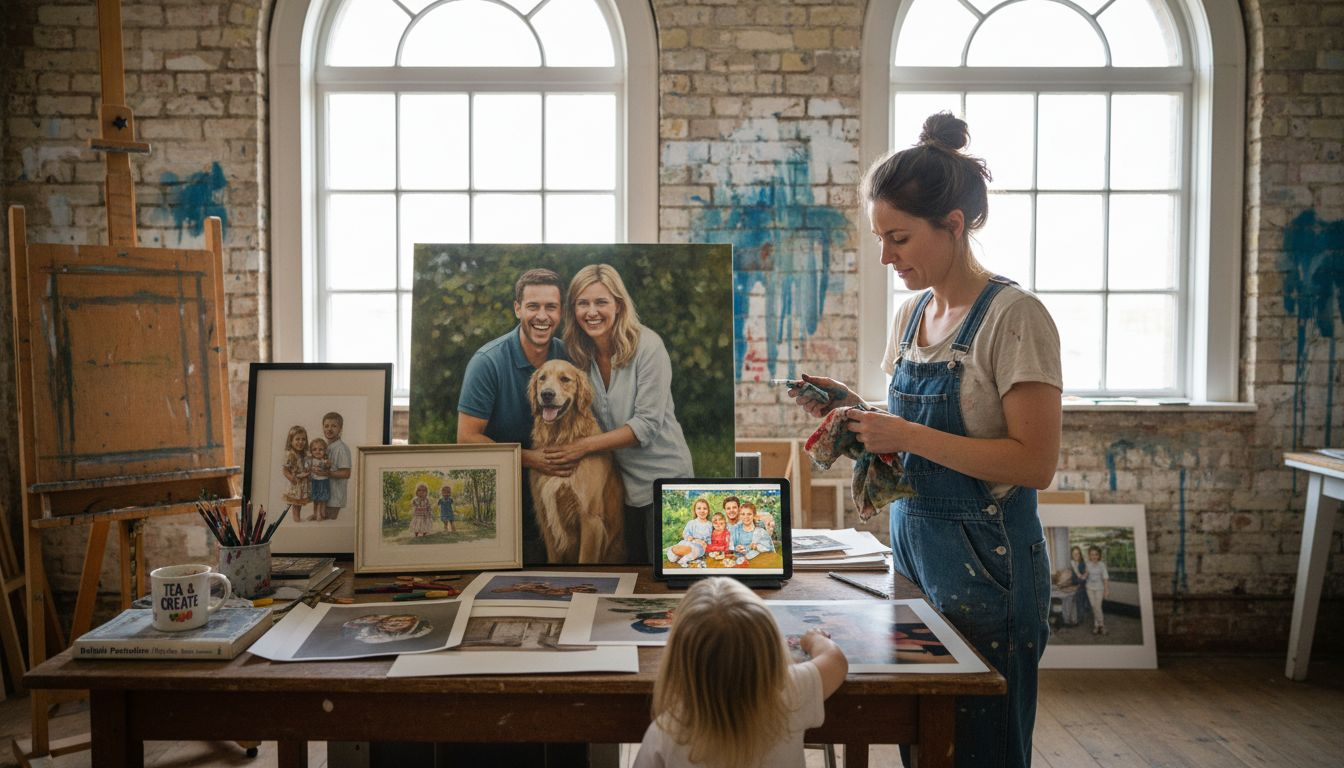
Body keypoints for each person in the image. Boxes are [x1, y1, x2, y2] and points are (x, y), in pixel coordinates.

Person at [788, 111, 1062, 768]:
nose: (887, 257)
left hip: (990, 567)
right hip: (916, 554)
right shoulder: (913, 316)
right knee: (928, 740)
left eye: (899, 238)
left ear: (955, 225)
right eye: (880, 238)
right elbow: (917, 439)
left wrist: (904, 430)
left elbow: (1035, 462)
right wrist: (856, 413)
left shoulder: (1015, 317)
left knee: (982, 748)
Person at [547, 264, 694, 564]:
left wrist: (583, 446)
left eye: (601, 302)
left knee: (666, 580)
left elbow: (647, 425)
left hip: (665, 483)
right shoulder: (579, 355)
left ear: (618, 304)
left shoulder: (648, 346)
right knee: (630, 581)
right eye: (583, 303)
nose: (592, 312)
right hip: (619, 487)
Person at [633, 577, 847, 768]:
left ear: (679, 658)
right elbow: (835, 661)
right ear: (771, 647)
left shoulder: (668, 731)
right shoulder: (790, 692)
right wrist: (816, 639)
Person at [457, 268, 572, 564]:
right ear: (517, 308)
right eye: (533, 306)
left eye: (551, 307)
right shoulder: (488, 363)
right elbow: (466, 438)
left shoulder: (567, 358)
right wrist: (529, 458)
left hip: (557, 489)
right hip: (499, 497)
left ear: (561, 312)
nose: (542, 316)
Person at [320, 412, 352, 521]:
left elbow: (346, 473)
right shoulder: (324, 447)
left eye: (334, 426)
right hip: (324, 494)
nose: (329, 429)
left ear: (340, 429)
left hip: (335, 496)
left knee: (329, 522)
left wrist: (327, 473)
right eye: (326, 426)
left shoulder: (341, 449)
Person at [667, 498, 713, 566]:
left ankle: (683, 558)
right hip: (689, 542)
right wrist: (692, 539)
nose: (702, 511)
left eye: (705, 508)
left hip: (700, 547)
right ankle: (680, 554)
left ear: (708, 511)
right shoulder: (691, 523)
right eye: (699, 508)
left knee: (694, 550)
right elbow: (685, 534)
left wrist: (706, 544)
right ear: (695, 510)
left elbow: (711, 539)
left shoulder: (710, 524)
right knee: (672, 557)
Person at [280, 425, 310, 521]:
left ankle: (297, 518)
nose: (300, 442)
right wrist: (292, 479)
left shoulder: (303, 454)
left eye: (303, 439)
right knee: (295, 504)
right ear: (291, 441)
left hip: (301, 483)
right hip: (295, 483)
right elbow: (285, 470)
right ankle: (296, 519)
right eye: (297, 439)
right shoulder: (290, 454)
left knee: (299, 503)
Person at [1085, 545, 1110, 635]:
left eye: (1096, 554)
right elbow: (1085, 575)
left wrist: (1106, 591)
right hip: (1090, 588)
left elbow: (1105, 578)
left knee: (1097, 607)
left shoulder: (1102, 565)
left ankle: (1101, 625)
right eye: (1092, 554)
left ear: (1099, 555)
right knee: (1093, 606)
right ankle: (1098, 625)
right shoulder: (1087, 564)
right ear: (1089, 556)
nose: (1094, 556)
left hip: (1099, 588)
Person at [307, 437, 331, 522]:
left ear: (325, 451)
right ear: (311, 451)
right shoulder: (311, 460)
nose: (317, 451)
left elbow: (328, 468)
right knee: (315, 499)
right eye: (314, 449)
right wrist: (310, 470)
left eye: (320, 449)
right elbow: (307, 469)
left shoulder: (324, 460)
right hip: (314, 481)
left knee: (322, 499)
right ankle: (315, 514)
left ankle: (320, 514)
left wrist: (327, 464)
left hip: (323, 481)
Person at [1069, 545, 1090, 624]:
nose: (1076, 556)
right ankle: (1080, 617)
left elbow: (1086, 575)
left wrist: (1082, 578)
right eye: (1074, 554)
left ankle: (1082, 615)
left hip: (1083, 584)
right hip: (1076, 583)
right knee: (1079, 600)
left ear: (1080, 554)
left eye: (1078, 554)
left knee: (1082, 596)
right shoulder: (1072, 563)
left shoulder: (1083, 563)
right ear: (1072, 555)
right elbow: (1077, 576)